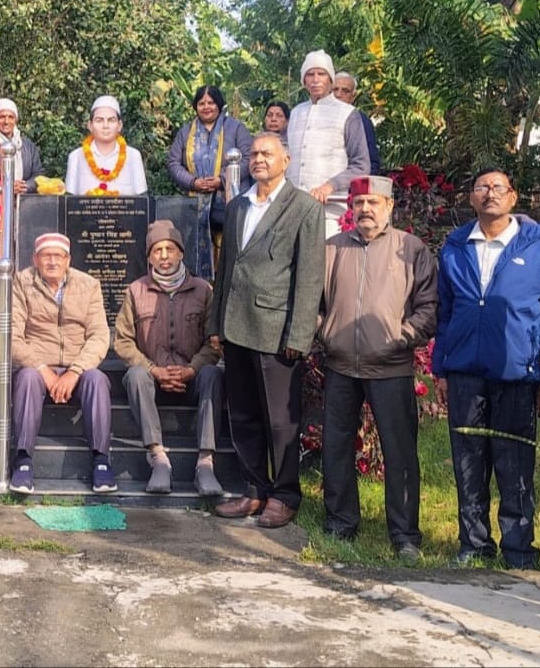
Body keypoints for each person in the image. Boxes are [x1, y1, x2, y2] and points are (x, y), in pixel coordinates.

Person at [433, 168, 540, 568]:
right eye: (481, 188)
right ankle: (473, 544)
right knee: (468, 460)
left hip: (516, 371)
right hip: (465, 369)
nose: (490, 194)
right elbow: (444, 312)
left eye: (498, 187)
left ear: (513, 196)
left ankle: (519, 549)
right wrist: (441, 367)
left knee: (515, 462)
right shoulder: (455, 246)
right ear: (471, 199)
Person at [207, 132, 324, 529]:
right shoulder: (238, 206)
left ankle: (285, 494)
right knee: (243, 415)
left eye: (267, 153)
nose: (258, 159)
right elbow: (226, 270)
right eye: (254, 153)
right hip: (236, 328)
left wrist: (298, 336)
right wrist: (216, 324)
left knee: (280, 420)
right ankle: (255, 490)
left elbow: (309, 278)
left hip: (277, 332)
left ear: (286, 160)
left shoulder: (304, 208)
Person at [318, 175, 437, 560]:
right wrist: (327, 333)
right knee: (336, 447)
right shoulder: (332, 249)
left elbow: (428, 307)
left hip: (391, 368)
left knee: (399, 452)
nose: (365, 209)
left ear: (389, 206)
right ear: (350, 210)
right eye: (359, 204)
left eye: (373, 203)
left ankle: (404, 534)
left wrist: (401, 337)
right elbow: (312, 303)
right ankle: (340, 522)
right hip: (339, 366)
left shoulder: (410, 248)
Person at [113, 220, 224, 496]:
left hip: (191, 379)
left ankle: (205, 463)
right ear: (149, 256)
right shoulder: (136, 291)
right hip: (152, 382)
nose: (164, 256)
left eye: (170, 249)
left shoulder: (203, 290)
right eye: (157, 250)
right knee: (135, 375)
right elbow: (123, 341)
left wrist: (192, 369)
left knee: (214, 373)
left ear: (181, 253)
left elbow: (213, 344)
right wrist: (153, 369)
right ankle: (158, 457)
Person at [7, 232, 116, 495]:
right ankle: (22, 461)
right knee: (27, 378)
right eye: (46, 256)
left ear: (68, 260)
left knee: (98, 380)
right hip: (38, 364)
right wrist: (42, 368)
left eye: (58, 256)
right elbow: (11, 335)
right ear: (35, 258)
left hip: (76, 366)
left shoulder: (88, 285)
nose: (52, 261)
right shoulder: (21, 282)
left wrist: (75, 370)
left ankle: (101, 460)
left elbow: (100, 335)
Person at [167, 85, 253, 278]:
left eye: (211, 102)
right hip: (196, 205)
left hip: (228, 202)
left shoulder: (235, 128)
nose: (206, 107)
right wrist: (193, 182)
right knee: (195, 259)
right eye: (201, 103)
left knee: (229, 256)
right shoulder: (186, 132)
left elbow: (249, 158)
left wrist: (222, 180)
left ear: (219, 104)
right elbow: (173, 163)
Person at [285, 51, 371, 236]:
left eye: (321, 73)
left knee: (327, 264)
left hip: (330, 212)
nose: (316, 79)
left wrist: (329, 186)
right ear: (304, 81)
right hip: (292, 210)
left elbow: (362, 165)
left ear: (331, 79)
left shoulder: (348, 113)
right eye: (310, 74)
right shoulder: (295, 113)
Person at [65, 95, 147, 196]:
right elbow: (70, 202)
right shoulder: (76, 157)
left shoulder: (133, 156)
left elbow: (141, 201)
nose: (105, 126)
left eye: (111, 120)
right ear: (90, 126)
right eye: (99, 120)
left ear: (119, 125)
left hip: (124, 212)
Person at [0, 98, 44, 195]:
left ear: (16, 120)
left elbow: (38, 174)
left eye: (11, 117)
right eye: (1, 117)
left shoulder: (27, 145)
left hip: (24, 203)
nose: (6, 121)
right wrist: (6, 187)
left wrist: (24, 186)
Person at [331, 72, 381, 175]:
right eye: (334, 89)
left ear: (353, 97)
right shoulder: (316, 115)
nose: (338, 94)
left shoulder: (361, 121)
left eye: (345, 91)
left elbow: (371, 163)